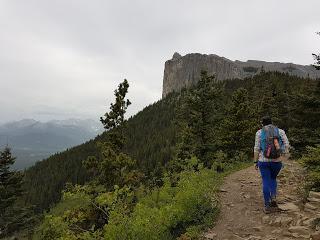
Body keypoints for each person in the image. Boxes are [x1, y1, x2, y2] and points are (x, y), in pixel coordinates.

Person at [253, 116, 290, 214]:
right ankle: (273, 199)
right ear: (272, 122)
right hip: (277, 161)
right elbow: (286, 144)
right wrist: (283, 155)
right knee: (273, 179)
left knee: (266, 181)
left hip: (263, 161)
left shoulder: (259, 132)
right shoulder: (280, 131)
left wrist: (255, 161)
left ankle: (267, 205)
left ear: (262, 123)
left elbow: (256, 148)